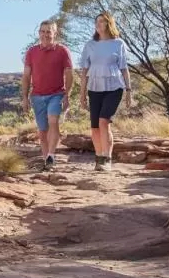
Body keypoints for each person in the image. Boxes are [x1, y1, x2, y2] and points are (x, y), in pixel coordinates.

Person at [79, 12, 134, 172]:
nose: (98, 24)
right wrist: (82, 94)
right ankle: (99, 158)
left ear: (109, 24)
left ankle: (107, 158)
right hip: (94, 88)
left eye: (102, 21)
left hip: (114, 87)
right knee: (95, 127)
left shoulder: (118, 43)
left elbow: (124, 68)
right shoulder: (90, 45)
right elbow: (84, 71)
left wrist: (128, 90)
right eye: (97, 21)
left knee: (104, 121)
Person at [22, 20, 74, 171]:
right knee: (42, 130)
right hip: (37, 96)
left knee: (53, 120)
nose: (45, 34)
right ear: (39, 33)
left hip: (56, 94)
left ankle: (51, 155)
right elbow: (26, 76)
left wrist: (67, 95)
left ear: (54, 33)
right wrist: (25, 98)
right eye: (42, 31)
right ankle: (47, 162)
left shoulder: (62, 51)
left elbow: (69, 74)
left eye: (48, 31)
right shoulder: (31, 52)